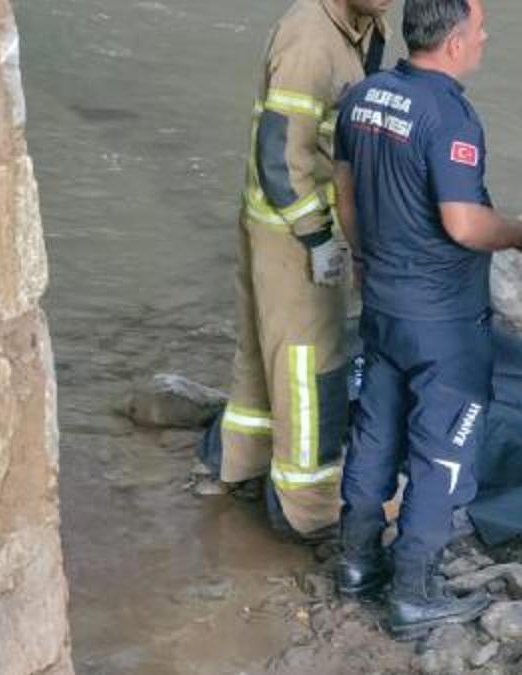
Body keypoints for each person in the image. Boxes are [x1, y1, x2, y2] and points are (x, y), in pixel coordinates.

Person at [331, 0, 522, 639]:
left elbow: (344, 193)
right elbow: (464, 223)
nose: (484, 37)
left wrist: (364, 258)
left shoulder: (364, 96)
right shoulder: (448, 115)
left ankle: (356, 561)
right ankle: (414, 590)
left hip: (384, 304)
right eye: (478, 28)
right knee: (442, 451)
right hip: (443, 321)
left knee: (374, 431)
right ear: (452, 42)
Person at [218, 0, 391, 540]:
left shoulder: (364, 24)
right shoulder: (310, 41)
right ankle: (309, 507)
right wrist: (318, 236)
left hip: (279, 219)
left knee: (262, 351)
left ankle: (243, 464)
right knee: (309, 362)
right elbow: (280, 153)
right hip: (293, 228)